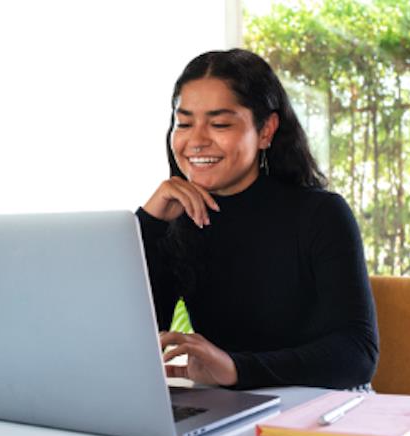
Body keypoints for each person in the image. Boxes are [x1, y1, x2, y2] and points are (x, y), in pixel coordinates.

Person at [136, 49, 378, 391]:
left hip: (322, 401)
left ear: (266, 130)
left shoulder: (321, 214)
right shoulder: (179, 221)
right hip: (230, 404)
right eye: (185, 123)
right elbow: (133, 339)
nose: (197, 141)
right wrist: (149, 223)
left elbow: (357, 354)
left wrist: (237, 369)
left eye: (219, 124)